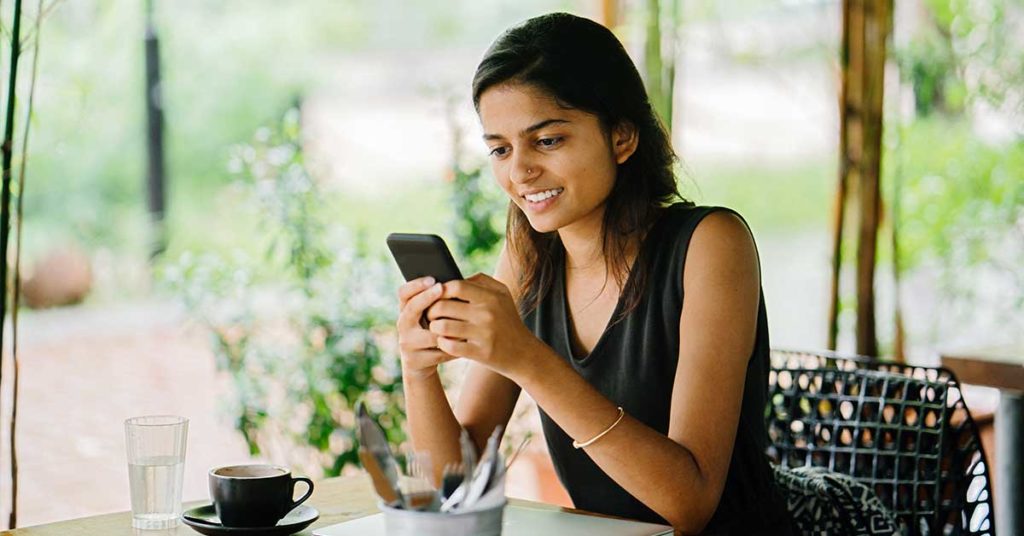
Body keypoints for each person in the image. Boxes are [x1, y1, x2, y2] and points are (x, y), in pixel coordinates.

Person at [396, 12, 794, 535]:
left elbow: (689, 504)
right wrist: (418, 369)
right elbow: (455, 484)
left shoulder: (711, 244)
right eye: (500, 148)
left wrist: (529, 360)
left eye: (548, 141)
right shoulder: (529, 257)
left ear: (622, 136)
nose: (519, 172)